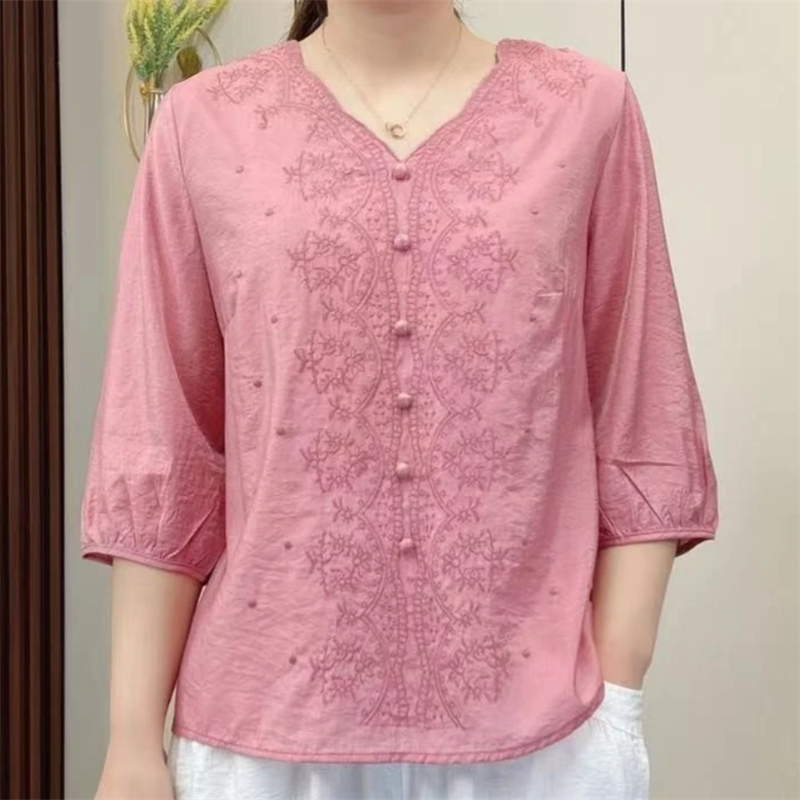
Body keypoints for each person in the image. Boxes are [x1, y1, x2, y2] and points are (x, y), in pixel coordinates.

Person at [81, 0, 719, 798]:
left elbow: (641, 403)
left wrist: (617, 697)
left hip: (542, 740)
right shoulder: (202, 123)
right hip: (264, 741)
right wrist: (131, 739)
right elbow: (163, 439)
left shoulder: (587, 109)